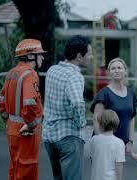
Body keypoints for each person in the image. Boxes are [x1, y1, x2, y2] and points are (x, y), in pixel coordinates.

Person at [42, 35, 93, 180]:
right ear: (79, 56)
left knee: (58, 178)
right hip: (68, 136)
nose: (91, 57)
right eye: (89, 53)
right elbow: (77, 103)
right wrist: (81, 123)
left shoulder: (52, 70)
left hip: (49, 136)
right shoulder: (75, 75)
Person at [0, 39, 45, 180]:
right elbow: (29, 102)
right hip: (26, 130)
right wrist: (30, 124)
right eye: (39, 54)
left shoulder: (12, 73)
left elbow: (1, 99)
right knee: (27, 170)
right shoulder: (30, 74)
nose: (42, 57)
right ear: (30, 56)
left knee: (15, 167)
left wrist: (7, 116)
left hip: (12, 128)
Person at [90, 58, 137, 152]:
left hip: (122, 144)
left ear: (125, 71)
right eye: (113, 68)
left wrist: (130, 141)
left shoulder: (131, 93)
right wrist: (101, 143)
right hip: (104, 144)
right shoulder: (104, 94)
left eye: (119, 68)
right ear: (109, 73)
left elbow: (132, 118)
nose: (116, 70)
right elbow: (96, 119)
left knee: (119, 167)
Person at [88, 109, 125, 180]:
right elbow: (119, 165)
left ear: (100, 124)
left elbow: (93, 159)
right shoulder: (119, 143)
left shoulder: (94, 140)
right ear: (116, 123)